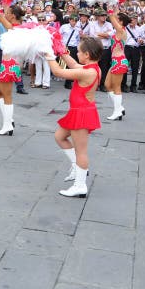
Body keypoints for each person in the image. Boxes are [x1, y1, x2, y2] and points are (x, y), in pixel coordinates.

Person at [45, 36, 103, 198]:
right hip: (78, 111)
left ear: (87, 54)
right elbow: (73, 64)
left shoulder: (89, 72)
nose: (76, 53)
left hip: (82, 113)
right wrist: (62, 51)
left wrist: (50, 55)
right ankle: (76, 167)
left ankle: (80, 185)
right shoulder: (91, 68)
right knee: (59, 136)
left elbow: (58, 71)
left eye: (78, 51)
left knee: (81, 152)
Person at [0, 4, 26, 135]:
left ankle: (7, 125)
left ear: (13, 15)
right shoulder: (16, 27)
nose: (6, 14)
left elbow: (2, 19)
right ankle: (9, 119)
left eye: (8, 13)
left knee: (7, 95)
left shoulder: (16, 28)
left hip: (10, 65)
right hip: (7, 64)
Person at [104, 9, 130, 121]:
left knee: (116, 87)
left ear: (121, 22)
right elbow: (114, 16)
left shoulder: (121, 31)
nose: (115, 19)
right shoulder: (118, 31)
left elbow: (112, 18)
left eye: (117, 19)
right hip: (115, 61)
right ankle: (119, 107)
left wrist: (110, 12)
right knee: (107, 85)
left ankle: (117, 111)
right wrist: (114, 7)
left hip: (119, 62)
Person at [61, 14, 80, 89]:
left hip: (74, 47)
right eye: (72, 20)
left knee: (72, 65)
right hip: (65, 47)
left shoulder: (78, 29)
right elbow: (59, 36)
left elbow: (78, 40)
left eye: (75, 21)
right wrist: (61, 46)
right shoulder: (64, 27)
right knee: (65, 64)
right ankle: (66, 80)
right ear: (69, 20)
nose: (74, 22)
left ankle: (68, 82)